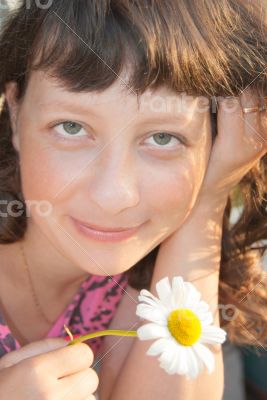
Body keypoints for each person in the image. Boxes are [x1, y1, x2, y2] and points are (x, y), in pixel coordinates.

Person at [0, 1, 266, 399]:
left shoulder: (141, 278)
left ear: (217, 143)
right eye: (71, 127)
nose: (114, 197)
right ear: (15, 111)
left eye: (164, 138)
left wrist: (209, 197)